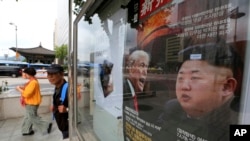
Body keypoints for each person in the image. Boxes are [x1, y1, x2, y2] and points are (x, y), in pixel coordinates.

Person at [153, 40, 243, 141]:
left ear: (226, 87)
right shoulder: (172, 108)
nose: (184, 86)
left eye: (194, 78)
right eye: (180, 78)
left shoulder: (241, 120)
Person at [16, 67, 52, 136]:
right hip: (31, 102)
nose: (24, 75)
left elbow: (27, 94)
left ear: (28, 74)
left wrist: (18, 89)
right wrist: (22, 88)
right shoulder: (33, 80)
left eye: (25, 74)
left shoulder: (33, 82)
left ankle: (46, 125)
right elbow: (29, 90)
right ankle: (26, 131)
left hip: (31, 103)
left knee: (32, 117)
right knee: (28, 117)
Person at [47, 64, 69, 139]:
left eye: (53, 74)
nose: (50, 77)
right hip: (62, 125)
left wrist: (66, 109)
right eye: (48, 74)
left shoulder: (68, 89)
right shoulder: (57, 87)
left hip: (69, 128)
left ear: (62, 74)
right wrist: (54, 105)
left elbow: (79, 109)